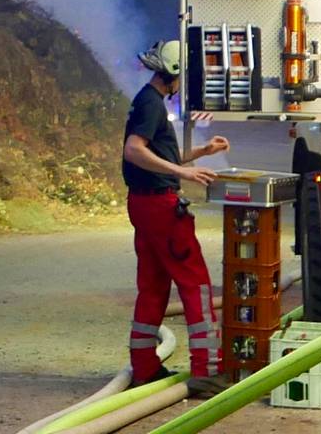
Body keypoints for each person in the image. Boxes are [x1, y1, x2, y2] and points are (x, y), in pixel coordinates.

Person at [123, 41, 232, 397]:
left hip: (144, 204)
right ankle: (208, 371)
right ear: (172, 74)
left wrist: (202, 152)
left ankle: (144, 368)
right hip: (161, 207)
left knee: (153, 285)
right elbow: (135, 150)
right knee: (195, 283)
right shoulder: (151, 106)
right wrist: (183, 175)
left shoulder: (147, 101)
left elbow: (160, 156)